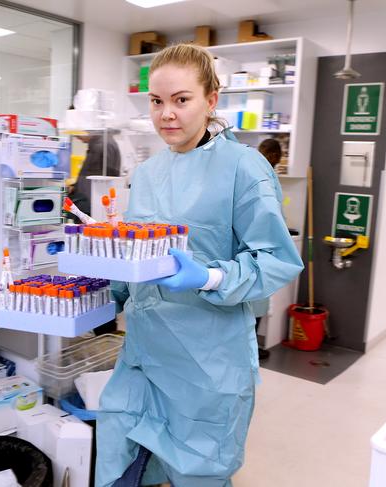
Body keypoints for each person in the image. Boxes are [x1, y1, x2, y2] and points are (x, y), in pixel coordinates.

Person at [95, 44, 303, 487]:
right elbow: (136, 258)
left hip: (207, 361)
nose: (166, 114)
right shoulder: (148, 173)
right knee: (118, 449)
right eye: (156, 101)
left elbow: (278, 261)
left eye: (181, 100)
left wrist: (209, 276)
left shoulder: (244, 169)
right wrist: (97, 284)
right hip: (143, 353)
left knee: (198, 470)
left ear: (211, 101)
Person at [251, 137, 283, 361]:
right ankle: (251, 348)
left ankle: (250, 346)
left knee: (255, 300)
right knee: (258, 300)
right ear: (273, 157)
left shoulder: (253, 171)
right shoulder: (265, 178)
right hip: (259, 247)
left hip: (255, 246)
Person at [69, 131, 121, 217]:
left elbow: (109, 177)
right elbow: (91, 172)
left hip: (93, 205)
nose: (76, 137)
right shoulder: (98, 144)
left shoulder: (103, 145)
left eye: (78, 133)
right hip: (89, 203)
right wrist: (75, 186)